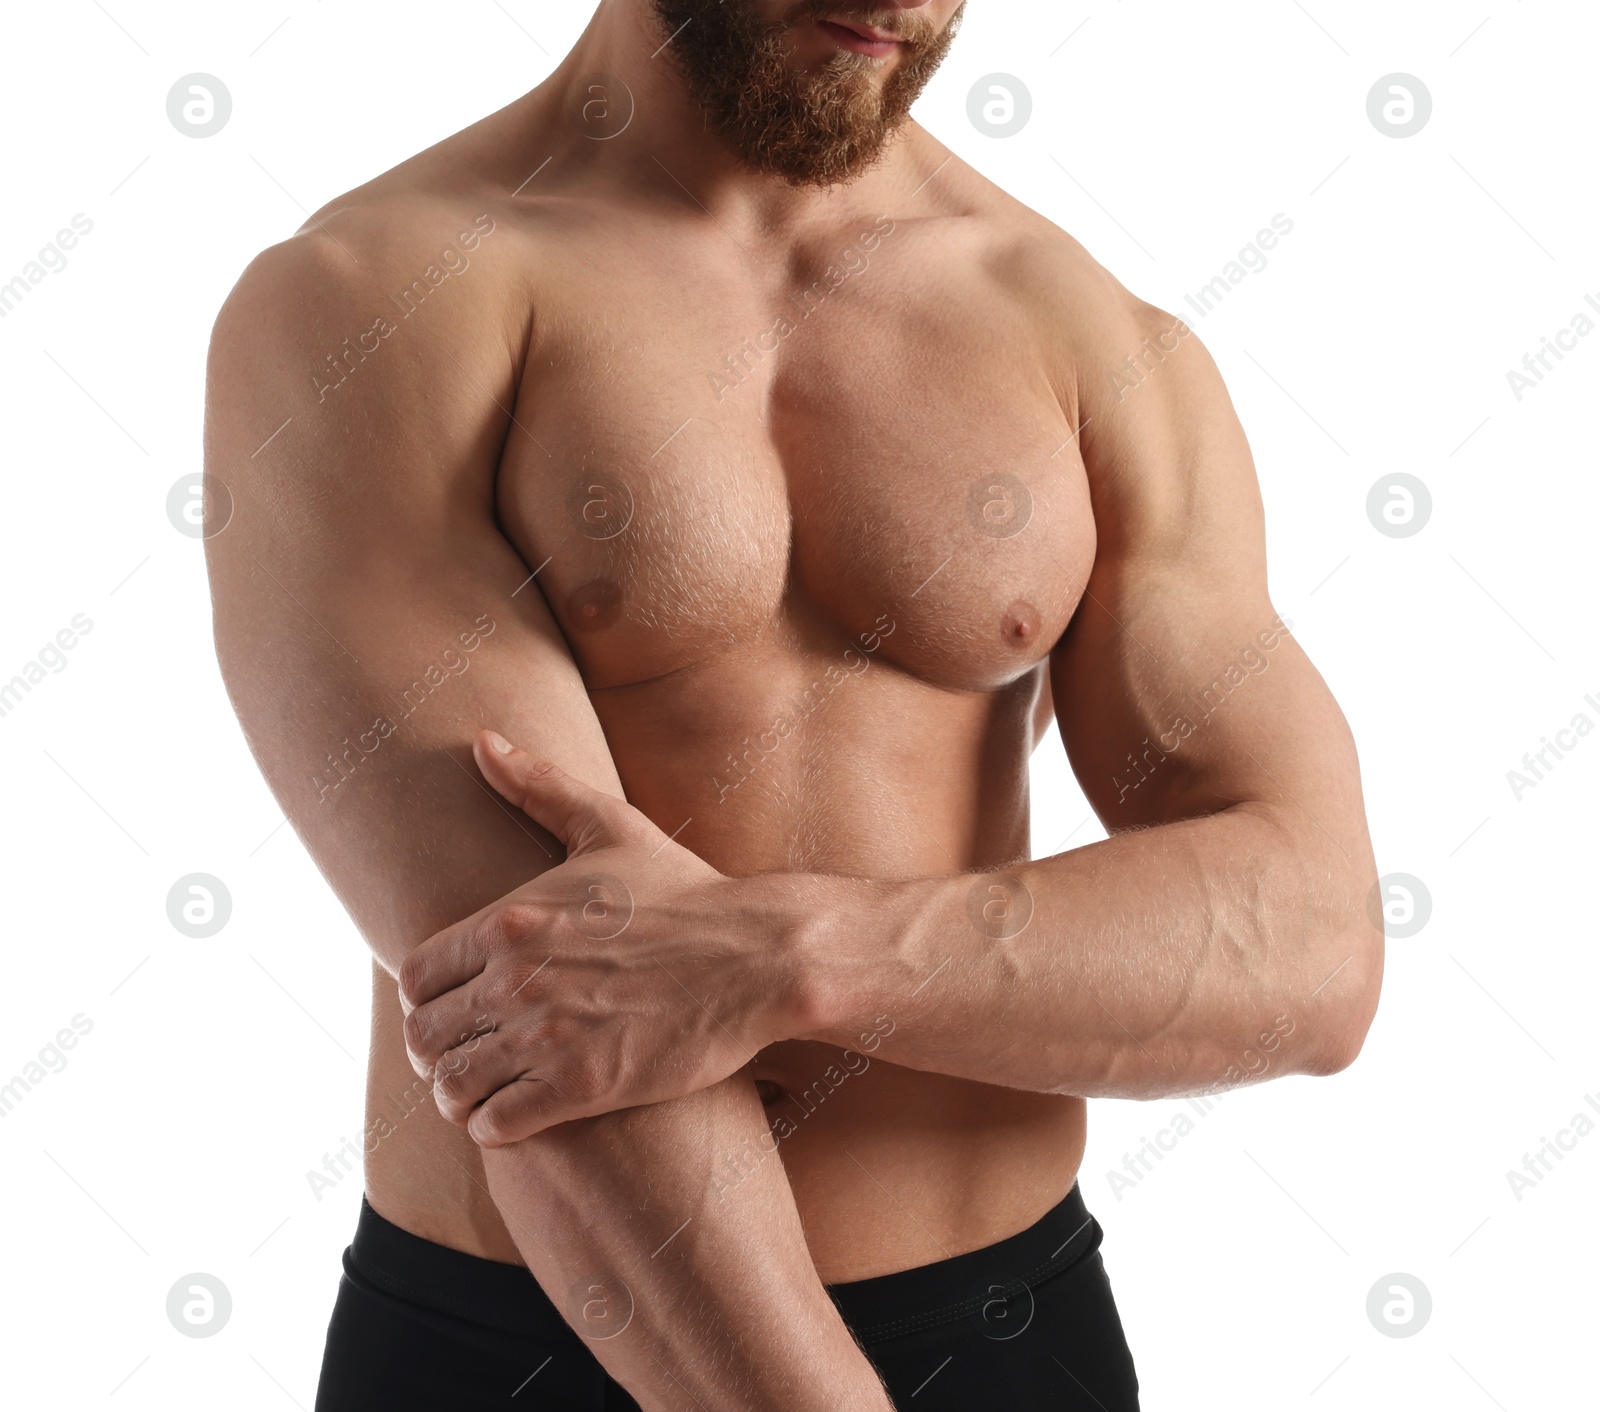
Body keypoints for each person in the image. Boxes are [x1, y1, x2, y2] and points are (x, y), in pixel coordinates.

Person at [204, 1, 1382, 1407]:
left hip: (1011, 1330)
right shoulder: (376, 299)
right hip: (534, 1349)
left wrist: (795, 955)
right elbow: (537, 1002)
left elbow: (1311, 952)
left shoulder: (1092, 341)